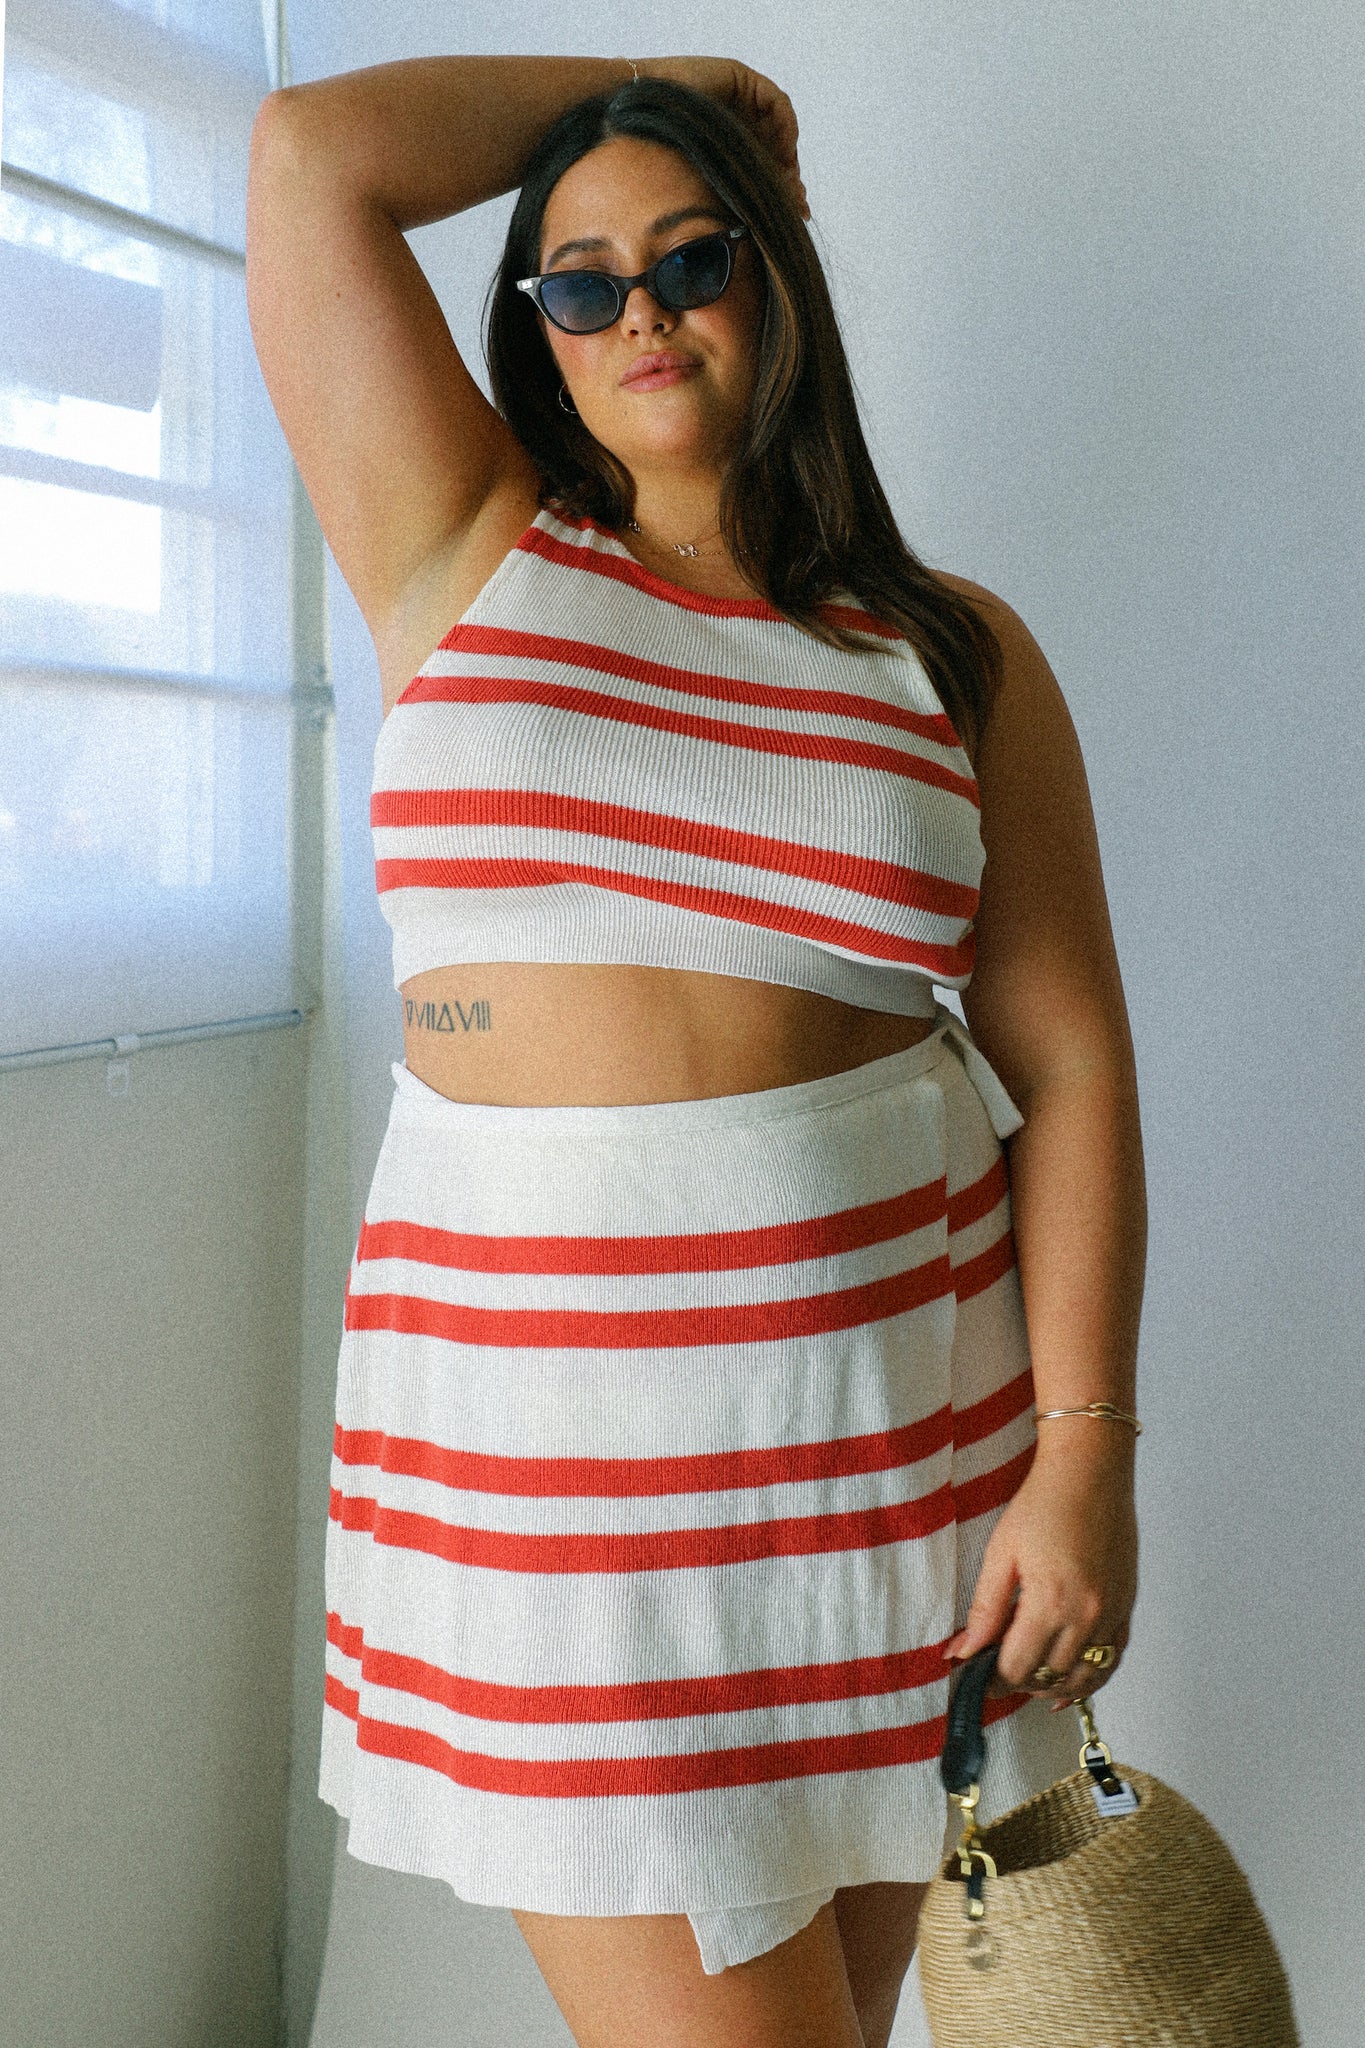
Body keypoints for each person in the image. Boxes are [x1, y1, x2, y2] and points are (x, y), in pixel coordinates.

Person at [246, 52, 1144, 2048]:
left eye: (691, 256)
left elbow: (1068, 1063)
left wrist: (1084, 1455)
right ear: (539, 332)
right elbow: (310, 156)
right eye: (581, 283)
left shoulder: (945, 648)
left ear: (775, 274)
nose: (638, 309)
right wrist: (670, 94)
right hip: (556, 1475)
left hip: (895, 1449)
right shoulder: (461, 542)